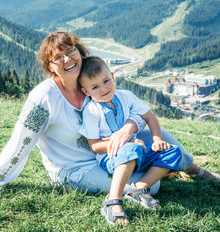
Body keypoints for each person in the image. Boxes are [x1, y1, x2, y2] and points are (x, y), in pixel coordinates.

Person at [0, 32, 220, 206]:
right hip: (76, 168)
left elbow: (132, 113)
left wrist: (128, 128)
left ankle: (196, 171)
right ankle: (158, 174)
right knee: (157, 183)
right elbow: (20, 141)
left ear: (80, 53)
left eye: (71, 52)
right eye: (58, 58)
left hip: (112, 153)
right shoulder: (43, 97)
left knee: (162, 139)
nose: (67, 60)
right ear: (50, 67)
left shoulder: (91, 83)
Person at [78, 56, 182, 225]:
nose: (103, 89)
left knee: (172, 151)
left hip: (137, 151)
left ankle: (138, 189)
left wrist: (157, 140)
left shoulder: (126, 96)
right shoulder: (91, 111)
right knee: (130, 149)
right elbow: (95, 146)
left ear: (112, 76)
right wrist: (126, 144)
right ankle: (112, 202)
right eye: (95, 87)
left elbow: (150, 117)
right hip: (111, 157)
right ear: (86, 92)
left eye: (106, 81)